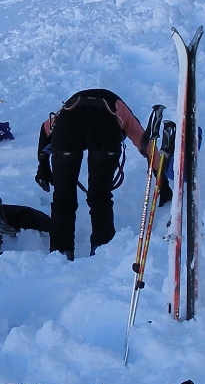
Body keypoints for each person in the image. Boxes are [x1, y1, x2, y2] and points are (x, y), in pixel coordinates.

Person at [36, 89, 170, 259]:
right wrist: (162, 181)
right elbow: (144, 143)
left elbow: (45, 128)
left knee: (63, 198)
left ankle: (60, 253)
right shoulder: (118, 106)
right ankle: (102, 251)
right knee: (100, 196)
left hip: (67, 128)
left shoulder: (69, 106)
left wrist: (43, 167)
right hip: (104, 130)